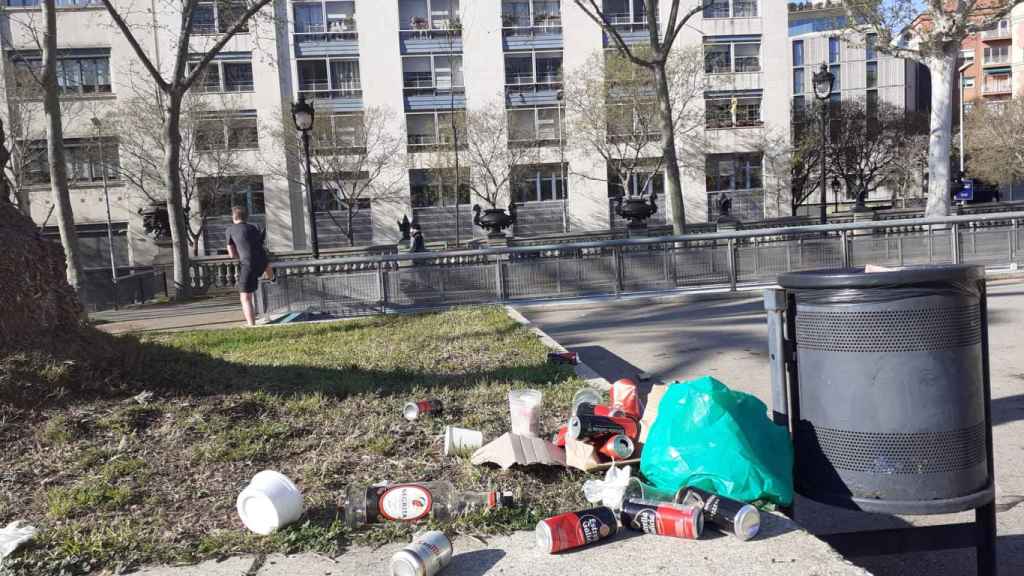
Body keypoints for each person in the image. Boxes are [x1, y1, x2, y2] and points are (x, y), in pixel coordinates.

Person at [226, 205, 269, 327]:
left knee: (245, 297)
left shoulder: (230, 230)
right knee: (258, 285)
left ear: (233, 216)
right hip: (262, 262)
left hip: (247, 264)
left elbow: (232, 254)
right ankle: (272, 279)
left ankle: (251, 326)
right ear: (246, 217)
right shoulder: (254, 228)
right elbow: (259, 245)